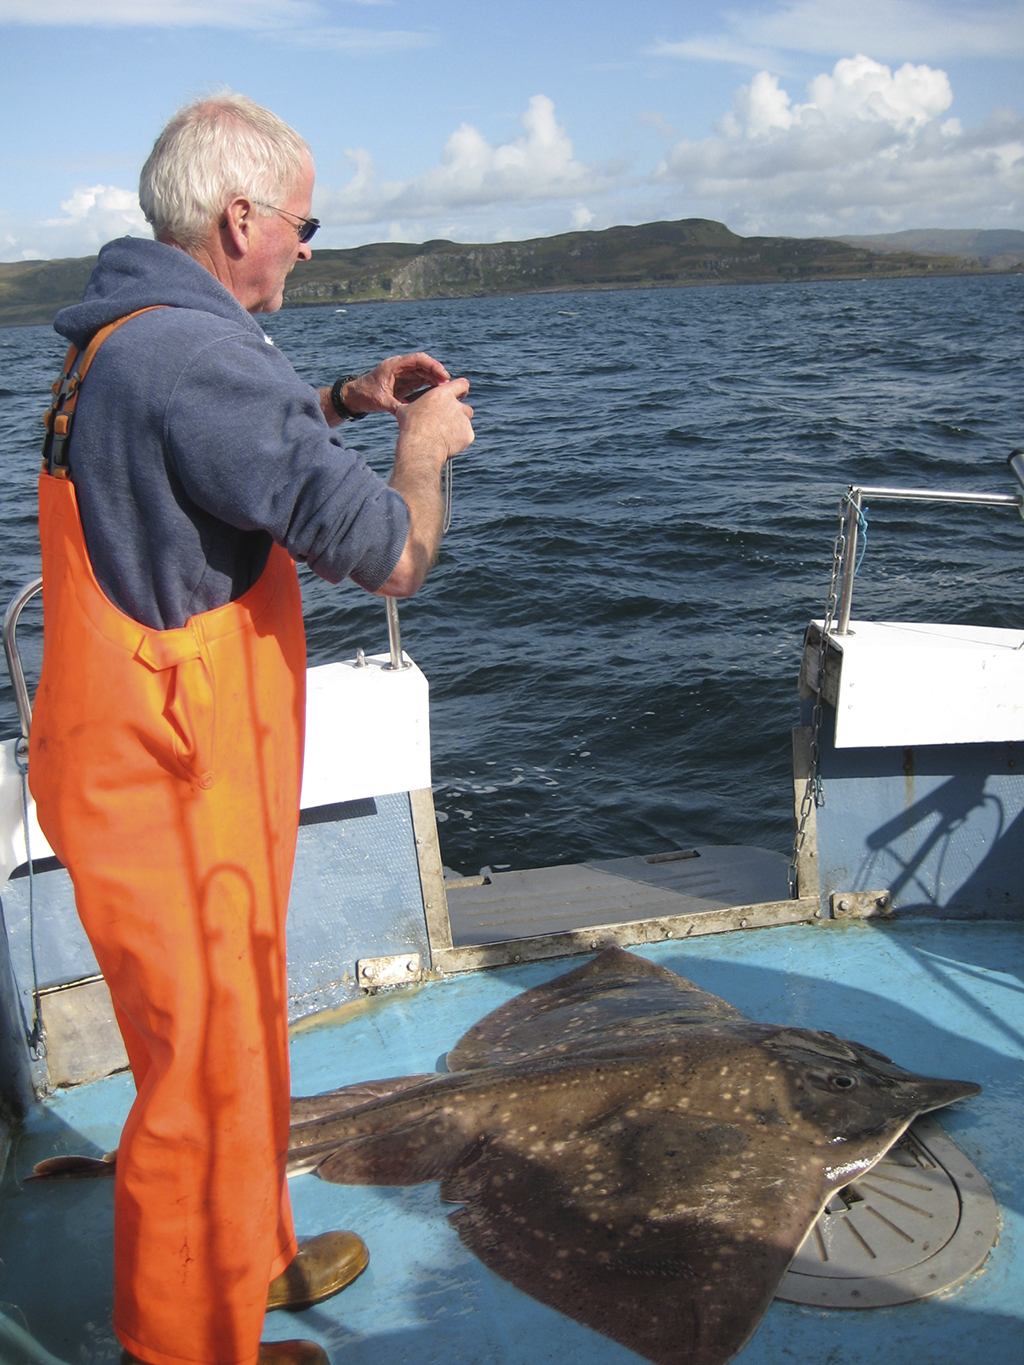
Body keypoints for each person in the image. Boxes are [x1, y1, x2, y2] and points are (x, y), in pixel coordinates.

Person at [28, 93, 474, 1365]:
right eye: (303, 224)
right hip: (170, 783)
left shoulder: (128, 333)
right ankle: (185, 1345)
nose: (308, 249)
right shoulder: (197, 354)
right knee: (201, 1078)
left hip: (154, 759)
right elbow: (390, 557)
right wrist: (424, 448)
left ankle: (250, 1264)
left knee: (235, 1031)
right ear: (240, 219)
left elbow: (215, 453)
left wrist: (339, 399)